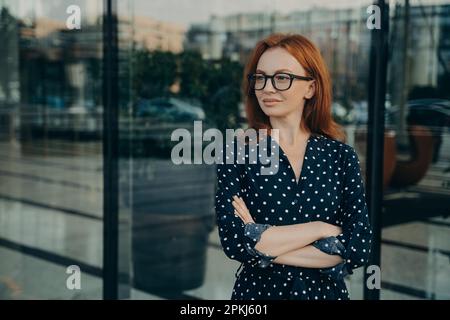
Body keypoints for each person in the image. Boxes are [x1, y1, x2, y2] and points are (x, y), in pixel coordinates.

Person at [214, 33, 373, 300]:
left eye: (282, 77)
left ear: (310, 87)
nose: (267, 87)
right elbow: (235, 242)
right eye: (260, 77)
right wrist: (322, 229)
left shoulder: (341, 156)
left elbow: (358, 247)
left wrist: (261, 240)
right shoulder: (237, 152)